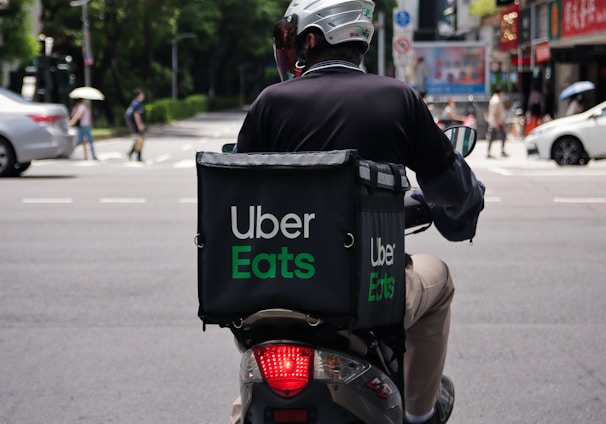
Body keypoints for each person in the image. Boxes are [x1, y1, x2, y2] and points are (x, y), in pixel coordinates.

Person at [231, 1, 485, 423]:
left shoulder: (269, 104)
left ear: (312, 39)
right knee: (438, 277)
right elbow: (450, 189)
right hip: (370, 295)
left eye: (290, 37)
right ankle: (420, 414)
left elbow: (237, 197)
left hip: (274, 291)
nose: (287, 47)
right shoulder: (397, 98)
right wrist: (468, 197)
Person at [486, 86, 507, 158]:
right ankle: (500, 151)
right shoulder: (496, 100)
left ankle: (490, 152)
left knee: (493, 137)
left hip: (495, 122)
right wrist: (497, 124)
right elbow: (495, 113)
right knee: (498, 136)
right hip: (496, 122)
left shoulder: (494, 99)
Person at [126, 88, 146, 162]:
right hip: (136, 125)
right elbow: (136, 115)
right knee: (140, 140)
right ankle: (136, 155)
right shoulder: (136, 104)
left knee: (139, 140)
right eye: (142, 94)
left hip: (135, 124)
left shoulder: (134, 103)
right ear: (139, 95)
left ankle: (133, 153)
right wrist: (140, 125)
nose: (143, 96)